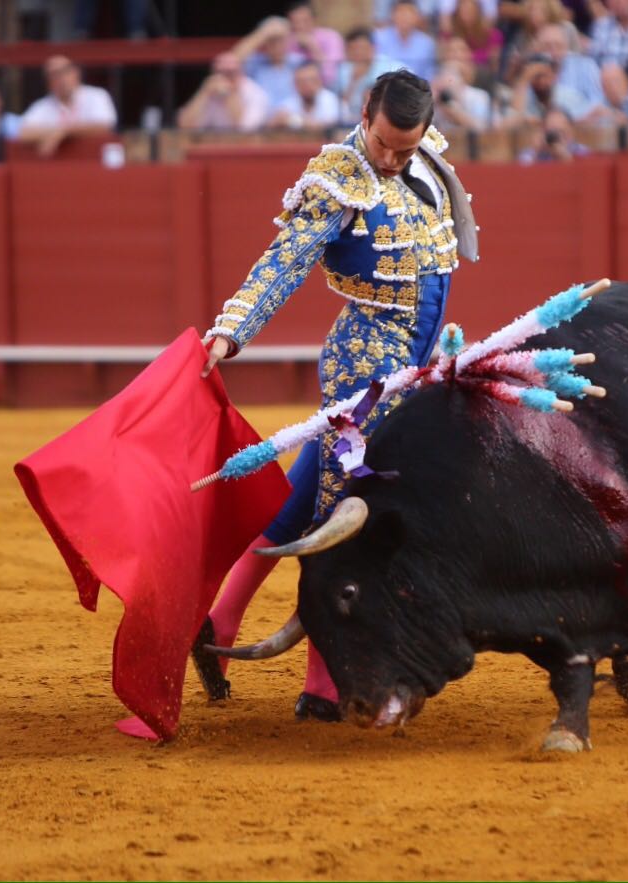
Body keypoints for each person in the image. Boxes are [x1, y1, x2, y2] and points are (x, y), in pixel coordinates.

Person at [198, 71, 479, 722]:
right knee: (345, 510)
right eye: (383, 144)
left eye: (404, 149)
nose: (391, 158)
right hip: (366, 358)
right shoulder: (336, 177)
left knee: (309, 492)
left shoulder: (424, 156)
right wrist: (229, 332)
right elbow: (282, 261)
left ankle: (218, 619)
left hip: (416, 356)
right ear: (363, 115)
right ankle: (321, 682)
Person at [18, 56, 116, 157]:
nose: (61, 78)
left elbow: (104, 126)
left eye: (65, 72)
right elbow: (24, 133)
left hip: (94, 162)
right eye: (54, 75)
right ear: (48, 82)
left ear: (76, 73)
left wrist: (63, 132)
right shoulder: (42, 105)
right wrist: (58, 132)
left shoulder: (97, 96)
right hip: (58, 166)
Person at [177, 52, 268, 132]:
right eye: (221, 73)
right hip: (214, 147)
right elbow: (185, 125)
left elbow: (242, 130)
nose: (225, 78)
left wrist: (229, 94)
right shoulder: (210, 91)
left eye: (231, 73)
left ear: (241, 73)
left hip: (248, 148)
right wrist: (203, 93)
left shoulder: (255, 93)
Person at [502, 53, 592, 124]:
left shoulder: (568, 96)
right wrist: (524, 80)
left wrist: (536, 122)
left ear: (554, 76)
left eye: (545, 76)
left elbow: (583, 121)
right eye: (535, 76)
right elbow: (512, 122)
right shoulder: (526, 97)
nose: (541, 81)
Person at [336, 29, 402, 123]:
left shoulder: (392, 67)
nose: (358, 52)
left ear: (373, 48)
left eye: (361, 48)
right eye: (353, 49)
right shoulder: (343, 70)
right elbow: (340, 108)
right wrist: (353, 81)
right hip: (351, 122)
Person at [235, 17, 299, 111]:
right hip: (261, 120)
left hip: (294, 120)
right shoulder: (256, 62)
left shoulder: (297, 62)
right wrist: (263, 33)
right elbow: (232, 61)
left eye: (280, 39)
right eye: (272, 40)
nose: (276, 44)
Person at [535, 22, 605, 107]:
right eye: (547, 46)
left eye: (558, 46)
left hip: (584, 116)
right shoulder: (532, 69)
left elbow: (597, 100)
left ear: (566, 47)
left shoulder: (586, 65)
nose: (553, 51)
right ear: (538, 49)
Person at [267, 61, 347, 131]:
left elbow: (324, 126)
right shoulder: (289, 103)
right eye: (301, 82)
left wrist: (292, 120)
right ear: (295, 84)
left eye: (311, 80)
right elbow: (273, 122)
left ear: (320, 81)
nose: (307, 85)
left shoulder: (333, 102)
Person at [375, 0, 439, 81]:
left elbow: (429, 74)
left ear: (418, 17)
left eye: (409, 13)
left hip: (416, 89)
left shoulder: (427, 43)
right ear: (392, 15)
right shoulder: (379, 38)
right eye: (401, 12)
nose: (405, 17)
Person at [286, 2, 345, 85]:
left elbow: (331, 78)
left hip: (326, 89)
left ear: (314, 20)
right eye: (295, 22)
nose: (300, 26)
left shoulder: (331, 37)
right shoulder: (286, 41)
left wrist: (313, 47)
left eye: (305, 21)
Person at [441, 0, 506, 70]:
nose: (467, 14)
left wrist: (467, 57)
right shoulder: (450, 34)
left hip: (482, 74)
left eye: (470, 10)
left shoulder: (494, 35)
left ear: (478, 12)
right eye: (463, 11)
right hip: (455, 71)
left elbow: (494, 63)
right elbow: (443, 58)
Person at [517, 105, 591, 161]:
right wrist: (536, 151)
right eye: (552, 132)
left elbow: (584, 173)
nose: (556, 137)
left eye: (561, 131)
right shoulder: (535, 152)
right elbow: (521, 171)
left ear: (570, 131)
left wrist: (563, 155)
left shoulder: (580, 151)